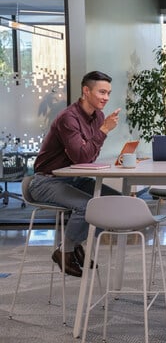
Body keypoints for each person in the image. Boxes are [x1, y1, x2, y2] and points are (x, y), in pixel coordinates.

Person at [30, 71, 122, 277]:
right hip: (47, 181)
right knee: (88, 206)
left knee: (115, 202)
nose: (106, 97)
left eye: (108, 93)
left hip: (72, 179)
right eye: (102, 92)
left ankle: (75, 243)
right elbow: (81, 157)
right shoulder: (68, 118)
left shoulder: (98, 117)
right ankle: (65, 251)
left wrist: (98, 134)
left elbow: (89, 156)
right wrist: (104, 131)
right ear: (86, 91)